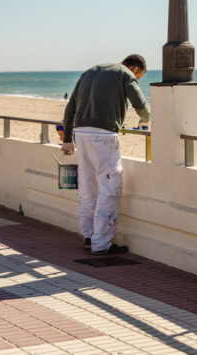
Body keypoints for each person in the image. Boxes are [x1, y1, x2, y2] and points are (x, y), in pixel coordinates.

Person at [61, 54, 150, 255]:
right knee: (110, 187)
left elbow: (70, 108)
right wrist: (145, 120)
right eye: (139, 76)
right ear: (135, 69)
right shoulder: (125, 74)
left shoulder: (89, 72)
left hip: (80, 134)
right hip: (104, 136)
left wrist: (67, 139)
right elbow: (142, 106)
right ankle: (101, 245)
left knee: (88, 187)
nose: (137, 78)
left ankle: (89, 236)